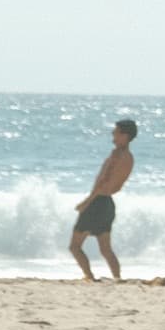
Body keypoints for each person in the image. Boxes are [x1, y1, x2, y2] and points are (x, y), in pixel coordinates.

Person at [70, 117, 138, 281]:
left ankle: (89, 276)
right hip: (107, 204)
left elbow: (104, 183)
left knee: (75, 246)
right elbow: (115, 186)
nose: (113, 135)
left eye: (116, 132)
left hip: (98, 203)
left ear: (125, 136)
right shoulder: (128, 157)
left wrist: (86, 202)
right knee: (105, 249)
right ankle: (117, 278)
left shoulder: (119, 157)